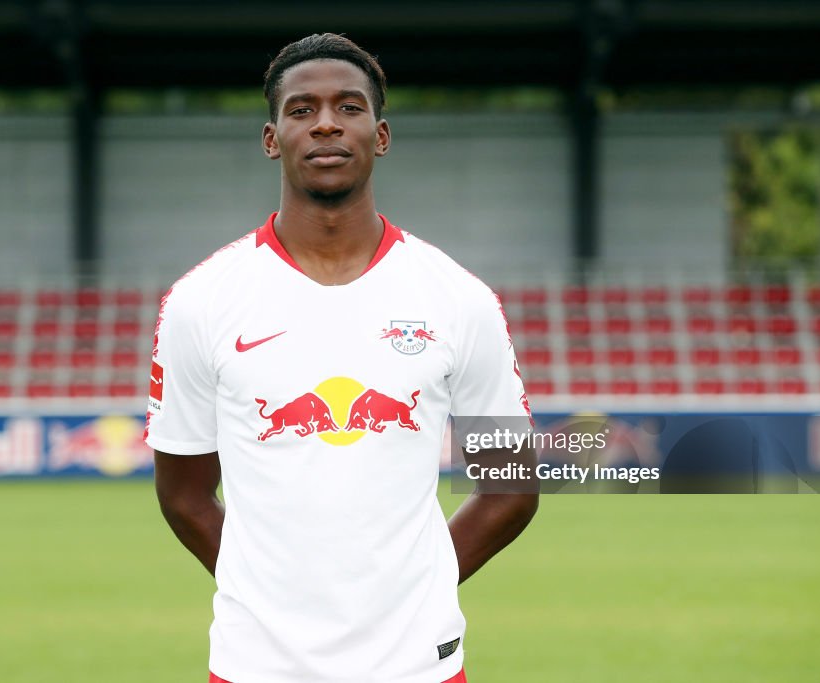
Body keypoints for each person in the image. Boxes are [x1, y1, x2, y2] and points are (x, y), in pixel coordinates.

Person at [146, 33, 539, 683]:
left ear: (380, 135)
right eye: (302, 110)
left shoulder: (460, 299)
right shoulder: (200, 302)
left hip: (420, 665)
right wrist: (274, 600)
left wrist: (416, 589)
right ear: (272, 137)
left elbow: (511, 486)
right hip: (255, 665)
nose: (326, 122)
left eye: (348, 107)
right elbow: (183, 495)